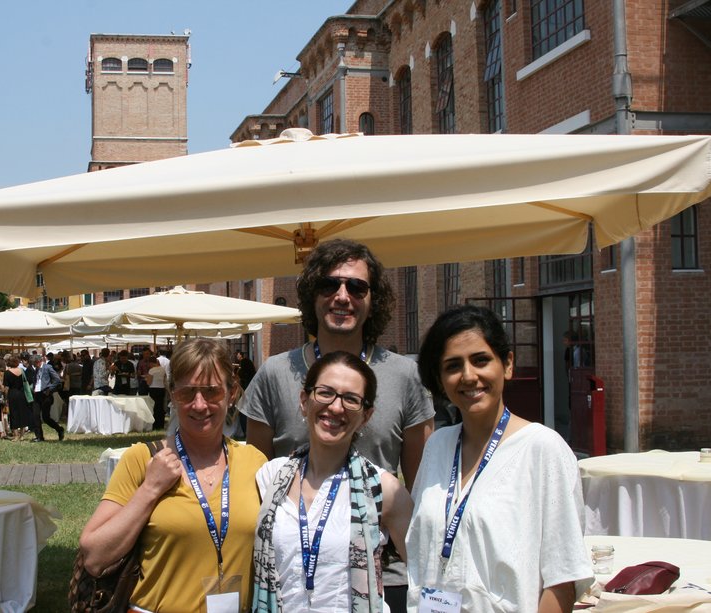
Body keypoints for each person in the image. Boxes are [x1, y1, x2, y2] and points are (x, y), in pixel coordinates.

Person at [240, 238, 435, 610]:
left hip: (384, 577)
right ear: (312, 295)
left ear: (372, 299)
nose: (342, 296)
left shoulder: (405, 375)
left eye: (357, 287)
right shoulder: (274, 374)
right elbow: (257, 482)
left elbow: (421, 484)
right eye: (329, 284)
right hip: (289, 577)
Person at [409, 305, 592, 611]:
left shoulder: (542, 449)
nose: (469, 376)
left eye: (481, 360)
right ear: (440, 380)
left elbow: (562, 580)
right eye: (453, 366)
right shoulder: (438, 446)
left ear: (507, 364)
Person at [79, 338, 267, 612]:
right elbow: (94, 557)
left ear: (232, 393)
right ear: (171, 394)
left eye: (212, 392)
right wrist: (150, 490)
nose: (200, 405)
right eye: (187, 393)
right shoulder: (141, 460)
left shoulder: (256, 463)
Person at [252, 351, 412, 612]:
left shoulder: (384, 489)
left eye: (351, 399)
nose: (336, 407)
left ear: (366, 415)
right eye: (325, 393)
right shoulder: (270, 478)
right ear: (305, 400)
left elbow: (429, 578)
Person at [31, 354, 64, 441]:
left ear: (38, 362)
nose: (34, 365)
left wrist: (50, 389)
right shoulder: (36, 369)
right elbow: (36, 380)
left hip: (46, 395)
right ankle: (39, 436)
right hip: (37, 395)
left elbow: (57, 379)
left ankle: (59, 429)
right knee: (35, 415)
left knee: (46, 417)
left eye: (34, 363)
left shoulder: (47, 367)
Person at [4, 355, 35, 442]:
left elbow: (6, 387)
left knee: (14, 414)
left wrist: (5, 398)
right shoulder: (22, 371)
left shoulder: (7, 373)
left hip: (12, 394)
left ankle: (16, 435)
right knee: (22, 413)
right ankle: (22, 435)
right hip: (22, 394)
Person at [146, 357, 168, 430]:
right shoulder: (163, 369)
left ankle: (155, 424)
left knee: (154, 407)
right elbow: (165, 380)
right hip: (161, 389)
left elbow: (149, 382)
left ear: (150, 363)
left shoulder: (151, 370)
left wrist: (146, 379)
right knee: (160, 407)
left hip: (153, 389)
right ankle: (160, 424)